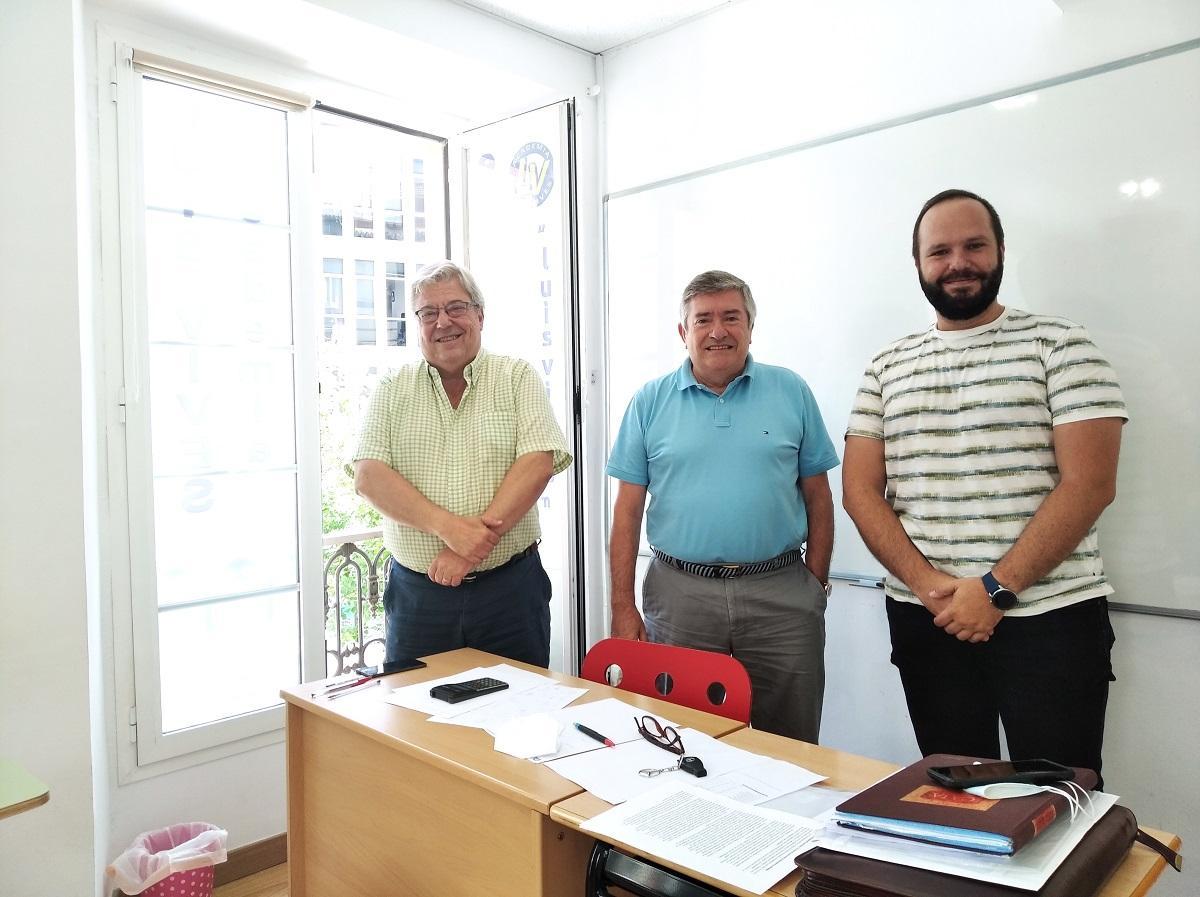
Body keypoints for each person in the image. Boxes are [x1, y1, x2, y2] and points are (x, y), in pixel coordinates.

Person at [842, 189, 1126, 783]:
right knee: (953, 799)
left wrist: (996, 589)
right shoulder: (885, 366)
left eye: (974, 245)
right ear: (918, 264)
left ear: (999, 250)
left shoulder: (1062, 344)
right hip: (929, 618)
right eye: (939, 251)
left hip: (1050, 620)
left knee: (1060, 802)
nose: (957, 263)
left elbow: (1090, 484)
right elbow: (860, 492)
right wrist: (933, 589)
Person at [606, 270, 839, 742]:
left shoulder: (790, 390)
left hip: (781, 595)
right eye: (703, 320)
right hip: (680, 598)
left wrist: (813, 584)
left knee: (790, 745)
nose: (718, 331)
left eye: (732, 317)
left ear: (751, 326)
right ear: (683, 332)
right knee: (682, 741)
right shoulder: (649, 402)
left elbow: (820, 496)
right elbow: (626, 515)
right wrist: (622, 605)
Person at [353, 260, 572, 668]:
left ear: (480, 315)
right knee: (416, 724)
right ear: (417, 324)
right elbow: (369, 477)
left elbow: (538, 463)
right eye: (428, 313)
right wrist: (449, 529)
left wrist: (467, 552)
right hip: (419, 600)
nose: (443, 322)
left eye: (456, 307)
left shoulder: (516, 377)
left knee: (517, 719)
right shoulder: (391, 389)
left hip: (509, 593)